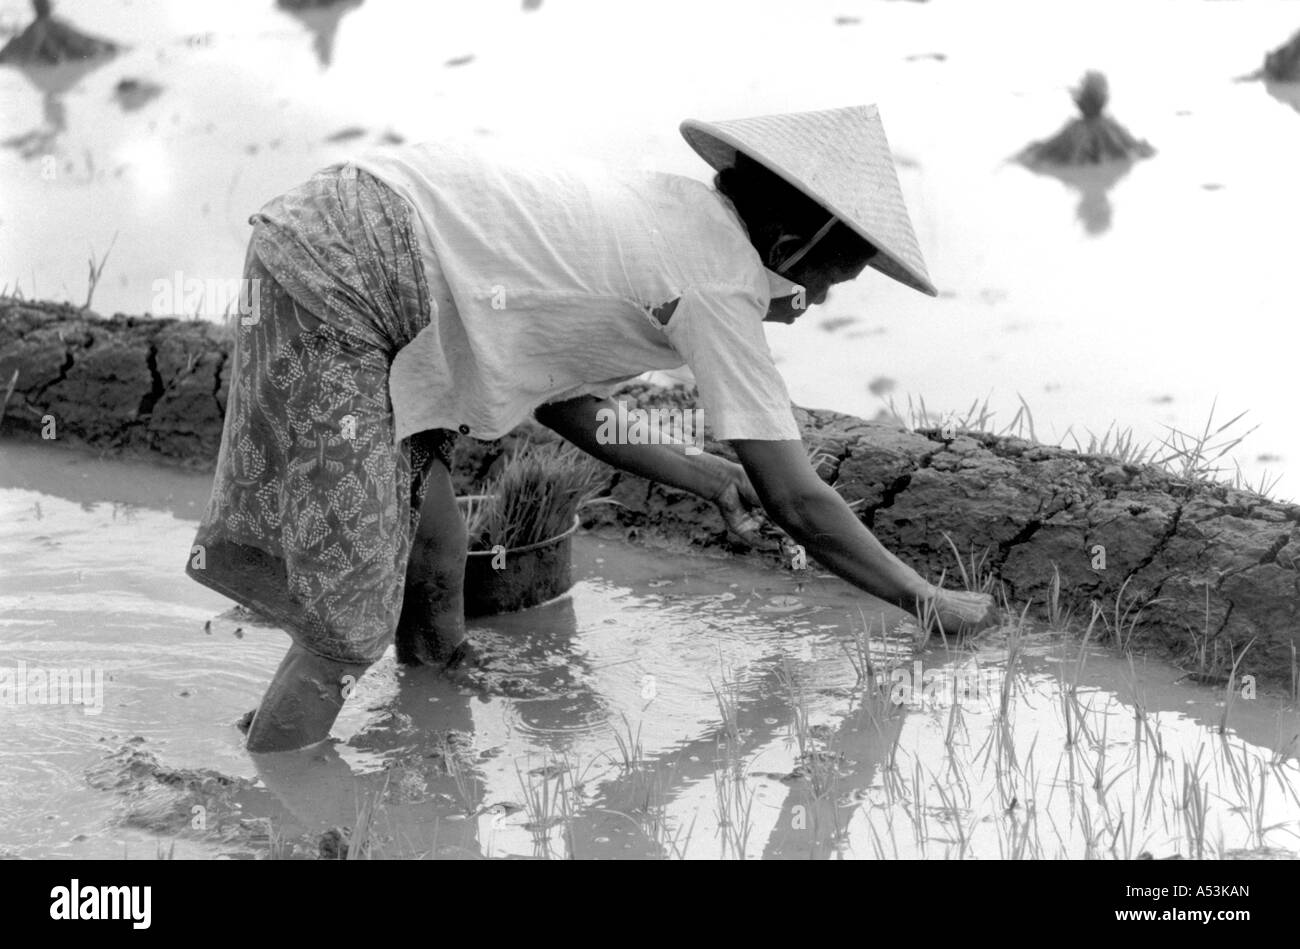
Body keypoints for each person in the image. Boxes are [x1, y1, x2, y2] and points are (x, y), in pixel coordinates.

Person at [187, 104, 998, 754]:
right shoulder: (721, 282)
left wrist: (706, 473)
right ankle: (281, 801)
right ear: (787, 246)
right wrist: (925, 599)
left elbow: (566, 403)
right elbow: (800, 502)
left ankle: (433, 706)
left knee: (433, 547)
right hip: (352, 277)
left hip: (374, 251)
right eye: (828, 283)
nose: (817, 304)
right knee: (348, 620)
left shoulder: (681, 217)